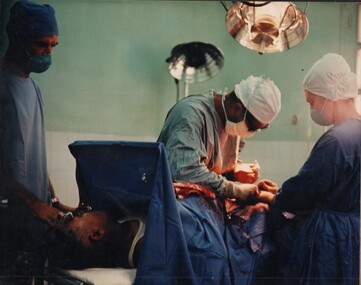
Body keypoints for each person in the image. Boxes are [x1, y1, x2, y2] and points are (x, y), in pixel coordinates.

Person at [270, 53, 360, 284]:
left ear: (328, 96)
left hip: (330, 236)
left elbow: (305, 189)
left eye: (312, 102)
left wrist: (275, 198)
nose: (311, 108)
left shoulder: (337, 140)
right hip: (354, 232)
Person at [0, 1, 71, 283]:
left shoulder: (35, 90)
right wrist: (33, 204)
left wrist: (51, 198)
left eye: (54, 45)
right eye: (42, 44)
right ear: (14, 36)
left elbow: (34, 155)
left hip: (30, 224)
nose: (48, 53)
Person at [157, 75, 281, 204]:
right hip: (173, 205)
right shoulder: (190, 115)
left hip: (201, 206)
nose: (252, 132)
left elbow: (212, 170)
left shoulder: (233, 124)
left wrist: (235, 172)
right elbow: (184, 172)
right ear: (237, 109)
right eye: (252, 127)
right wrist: (234, 190)